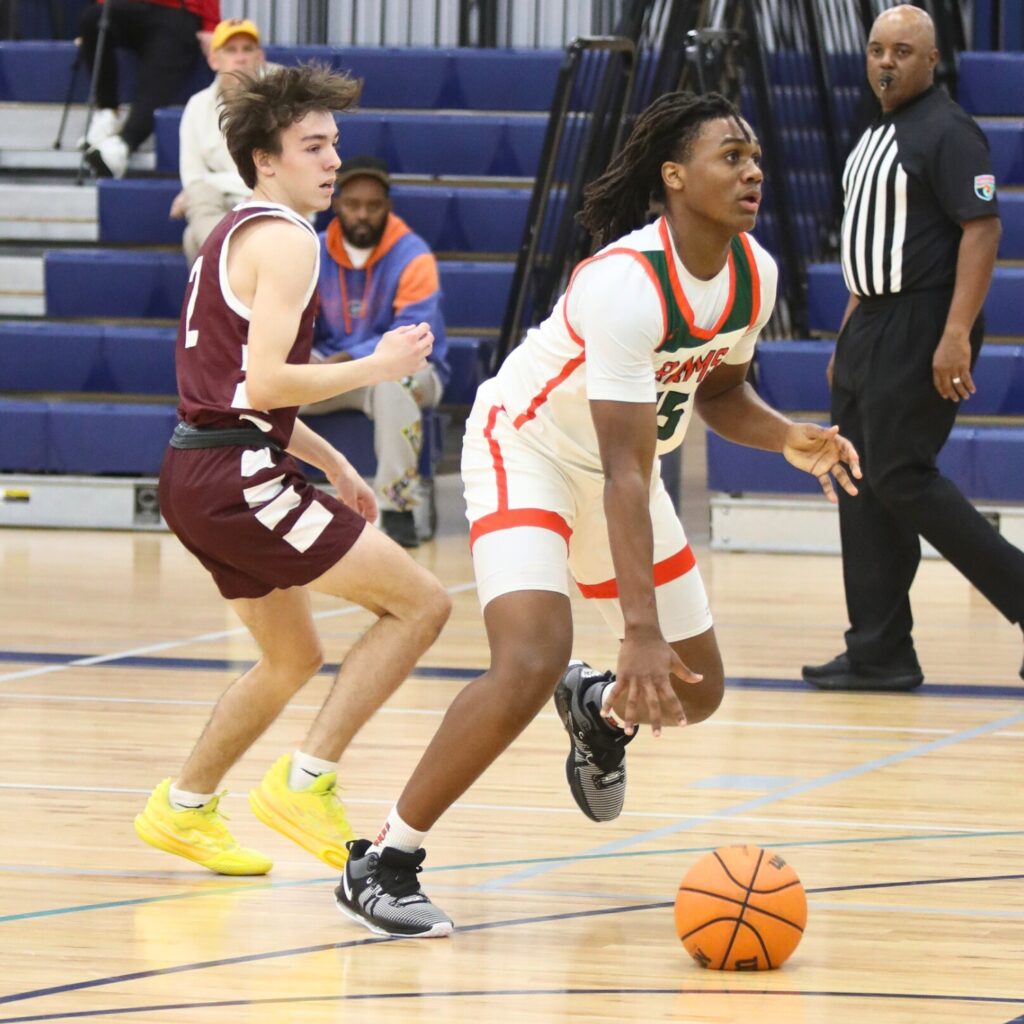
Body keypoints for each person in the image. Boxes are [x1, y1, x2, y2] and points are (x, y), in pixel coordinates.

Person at [333, 91, 862, 938]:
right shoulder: (625, 284)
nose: (753, 168)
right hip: (528, 452)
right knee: (531, 658)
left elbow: (715, 389)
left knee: (701, 691)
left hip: (625, 468)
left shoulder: (752, 275)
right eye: (731, 155)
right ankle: (386, 861)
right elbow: (624, 468)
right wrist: (635, 633)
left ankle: (596, 711)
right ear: (675, 176)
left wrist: (787, 436)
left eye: (755, 155)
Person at [133, 63, 451, 876]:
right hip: (236, 477)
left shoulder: (234, 235)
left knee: (292, 658)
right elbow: (268, 383)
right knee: (422, 605)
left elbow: (242, 391)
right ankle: (308, 782)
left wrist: (335, 459)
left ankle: (184, 806)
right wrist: (378, 367)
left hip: (200, 468)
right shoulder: (289, 241)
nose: (332, 160)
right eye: (312, 146)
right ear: (264, 160)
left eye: (334, 144)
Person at [802, 5, 1024, 692]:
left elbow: (981, 230)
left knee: (900, 473)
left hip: (926, 319)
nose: (886, 62)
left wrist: (956, 332)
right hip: (870, 321)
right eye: (876, 50)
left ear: (931, 61)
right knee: (859, 480)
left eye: (902, 51)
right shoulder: (878, 131)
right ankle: (879, 651)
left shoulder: (950, 132)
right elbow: (872, 244)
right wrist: (848, 331)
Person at [301, 156, 449, 549]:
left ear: (388, 207)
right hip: (335, 372)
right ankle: (254, 498)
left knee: (394, 384)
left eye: (373, 205)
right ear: (336, 204)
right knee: (262, 386)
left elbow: (413, 336)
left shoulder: (413, 255)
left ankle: (398, 512)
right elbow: (297, 322)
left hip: (413, 369)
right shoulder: (311, 252)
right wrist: (307, 359)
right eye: (353, 205)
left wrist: (348, 360)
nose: (362, 214)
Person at [79, 0, 221, 179]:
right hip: (124, 6)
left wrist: (211, 25)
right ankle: (107, 112)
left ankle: (124, 144)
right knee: (93, 19)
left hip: (177, 10)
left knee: (164, 60)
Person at [169, 18, 267, 265]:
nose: (241, 58)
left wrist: (213, 181)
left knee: (193, 238)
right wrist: (206, 186)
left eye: (248, 49)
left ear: (260, 57)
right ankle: (234, 268)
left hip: (268, 202)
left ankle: (223, 277)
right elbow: (192, 178)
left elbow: (282, 176)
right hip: (218, 207)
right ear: (214, 60)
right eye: (231, 50)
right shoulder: (197, 105)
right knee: (199, 193)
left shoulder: (282, 101)